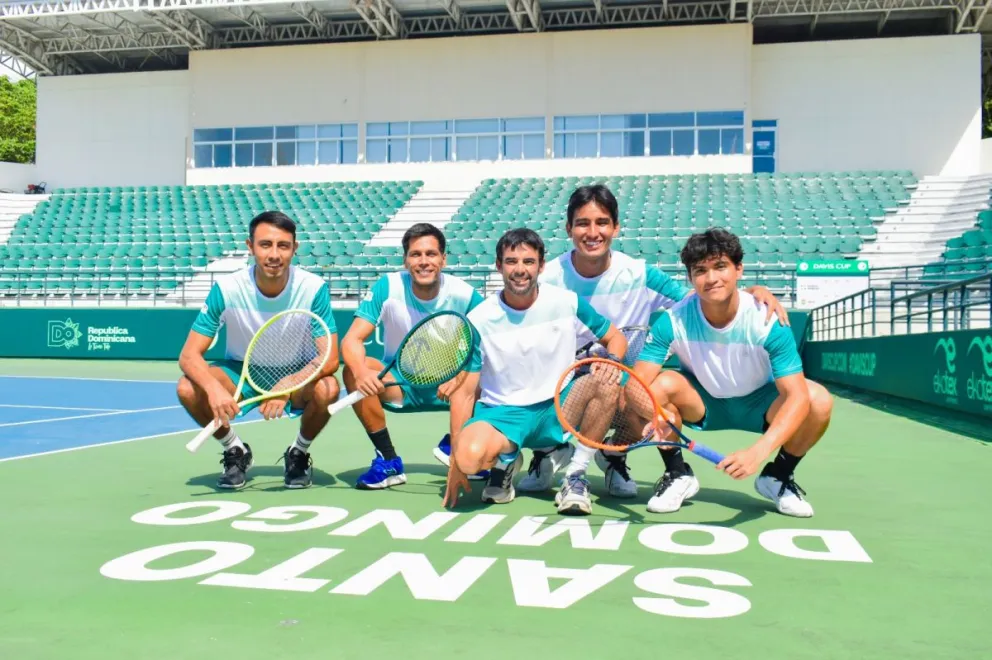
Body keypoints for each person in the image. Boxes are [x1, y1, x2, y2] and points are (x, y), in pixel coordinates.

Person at [516, 184, 791, 515]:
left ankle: (613, 456)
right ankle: (556, 456)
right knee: (601, 381)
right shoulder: (551, 278)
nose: (593, 232)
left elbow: (703, 295)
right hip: (563, 388)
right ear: (568, 229)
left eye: (602, 222)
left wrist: (751, 292)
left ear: (616, 227)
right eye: (582, 223)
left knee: (634, 385)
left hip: (624, 386)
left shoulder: (640, 274)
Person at [631, 228, 833, 517]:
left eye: (720, 266)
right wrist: (653, 414)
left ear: (739, 269)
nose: (711, 278)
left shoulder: (766, 320)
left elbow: (797, 397)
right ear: (690, 278)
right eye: (700, 270)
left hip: (761, 405)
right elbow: (637, 384)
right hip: (704, 404)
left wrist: (757, 452)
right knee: (658, 387)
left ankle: (778, 477)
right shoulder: (673, 321)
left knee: (818, 399)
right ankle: (677, 474)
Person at [442, 228, 628, 508]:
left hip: (560, 405)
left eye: (528, 262)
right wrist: (455, 463)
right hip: (503, 414)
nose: (520, 270)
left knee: (606, 380)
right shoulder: (478, 319)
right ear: (498, 266)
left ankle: (576, 475)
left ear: (541, 266)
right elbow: (465, 393)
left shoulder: (567, 302)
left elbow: (615, 337)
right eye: (511, 261)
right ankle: (507, 459)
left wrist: (612, 361)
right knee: (469, 457)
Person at [177, 211, 341, 490]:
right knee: (188, 388)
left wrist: (288, 384)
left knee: (328, 389)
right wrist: (213, 389)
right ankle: (235, 450)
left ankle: (298, 453)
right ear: (250, 246)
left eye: (283, 246)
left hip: (297, 373)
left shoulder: (313, 288)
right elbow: (189, 355)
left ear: (294, 249)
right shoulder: (227, 288)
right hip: (241, 371)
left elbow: (330, 358)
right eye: (265, 245)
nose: (274, 254)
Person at [340, 223, 487, 490]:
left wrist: (462, 376)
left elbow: (493, 345)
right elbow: (352, 339)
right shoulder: (388, 287)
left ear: (443, 259)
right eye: (416, 254)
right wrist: (362, 374)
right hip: (401, 384)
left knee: (491, 374)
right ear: (406, 260)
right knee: (352, 369)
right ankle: (388, 460)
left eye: (431, 254)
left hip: (452, 387)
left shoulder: (465, 294)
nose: (423, 262)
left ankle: (458, 444)